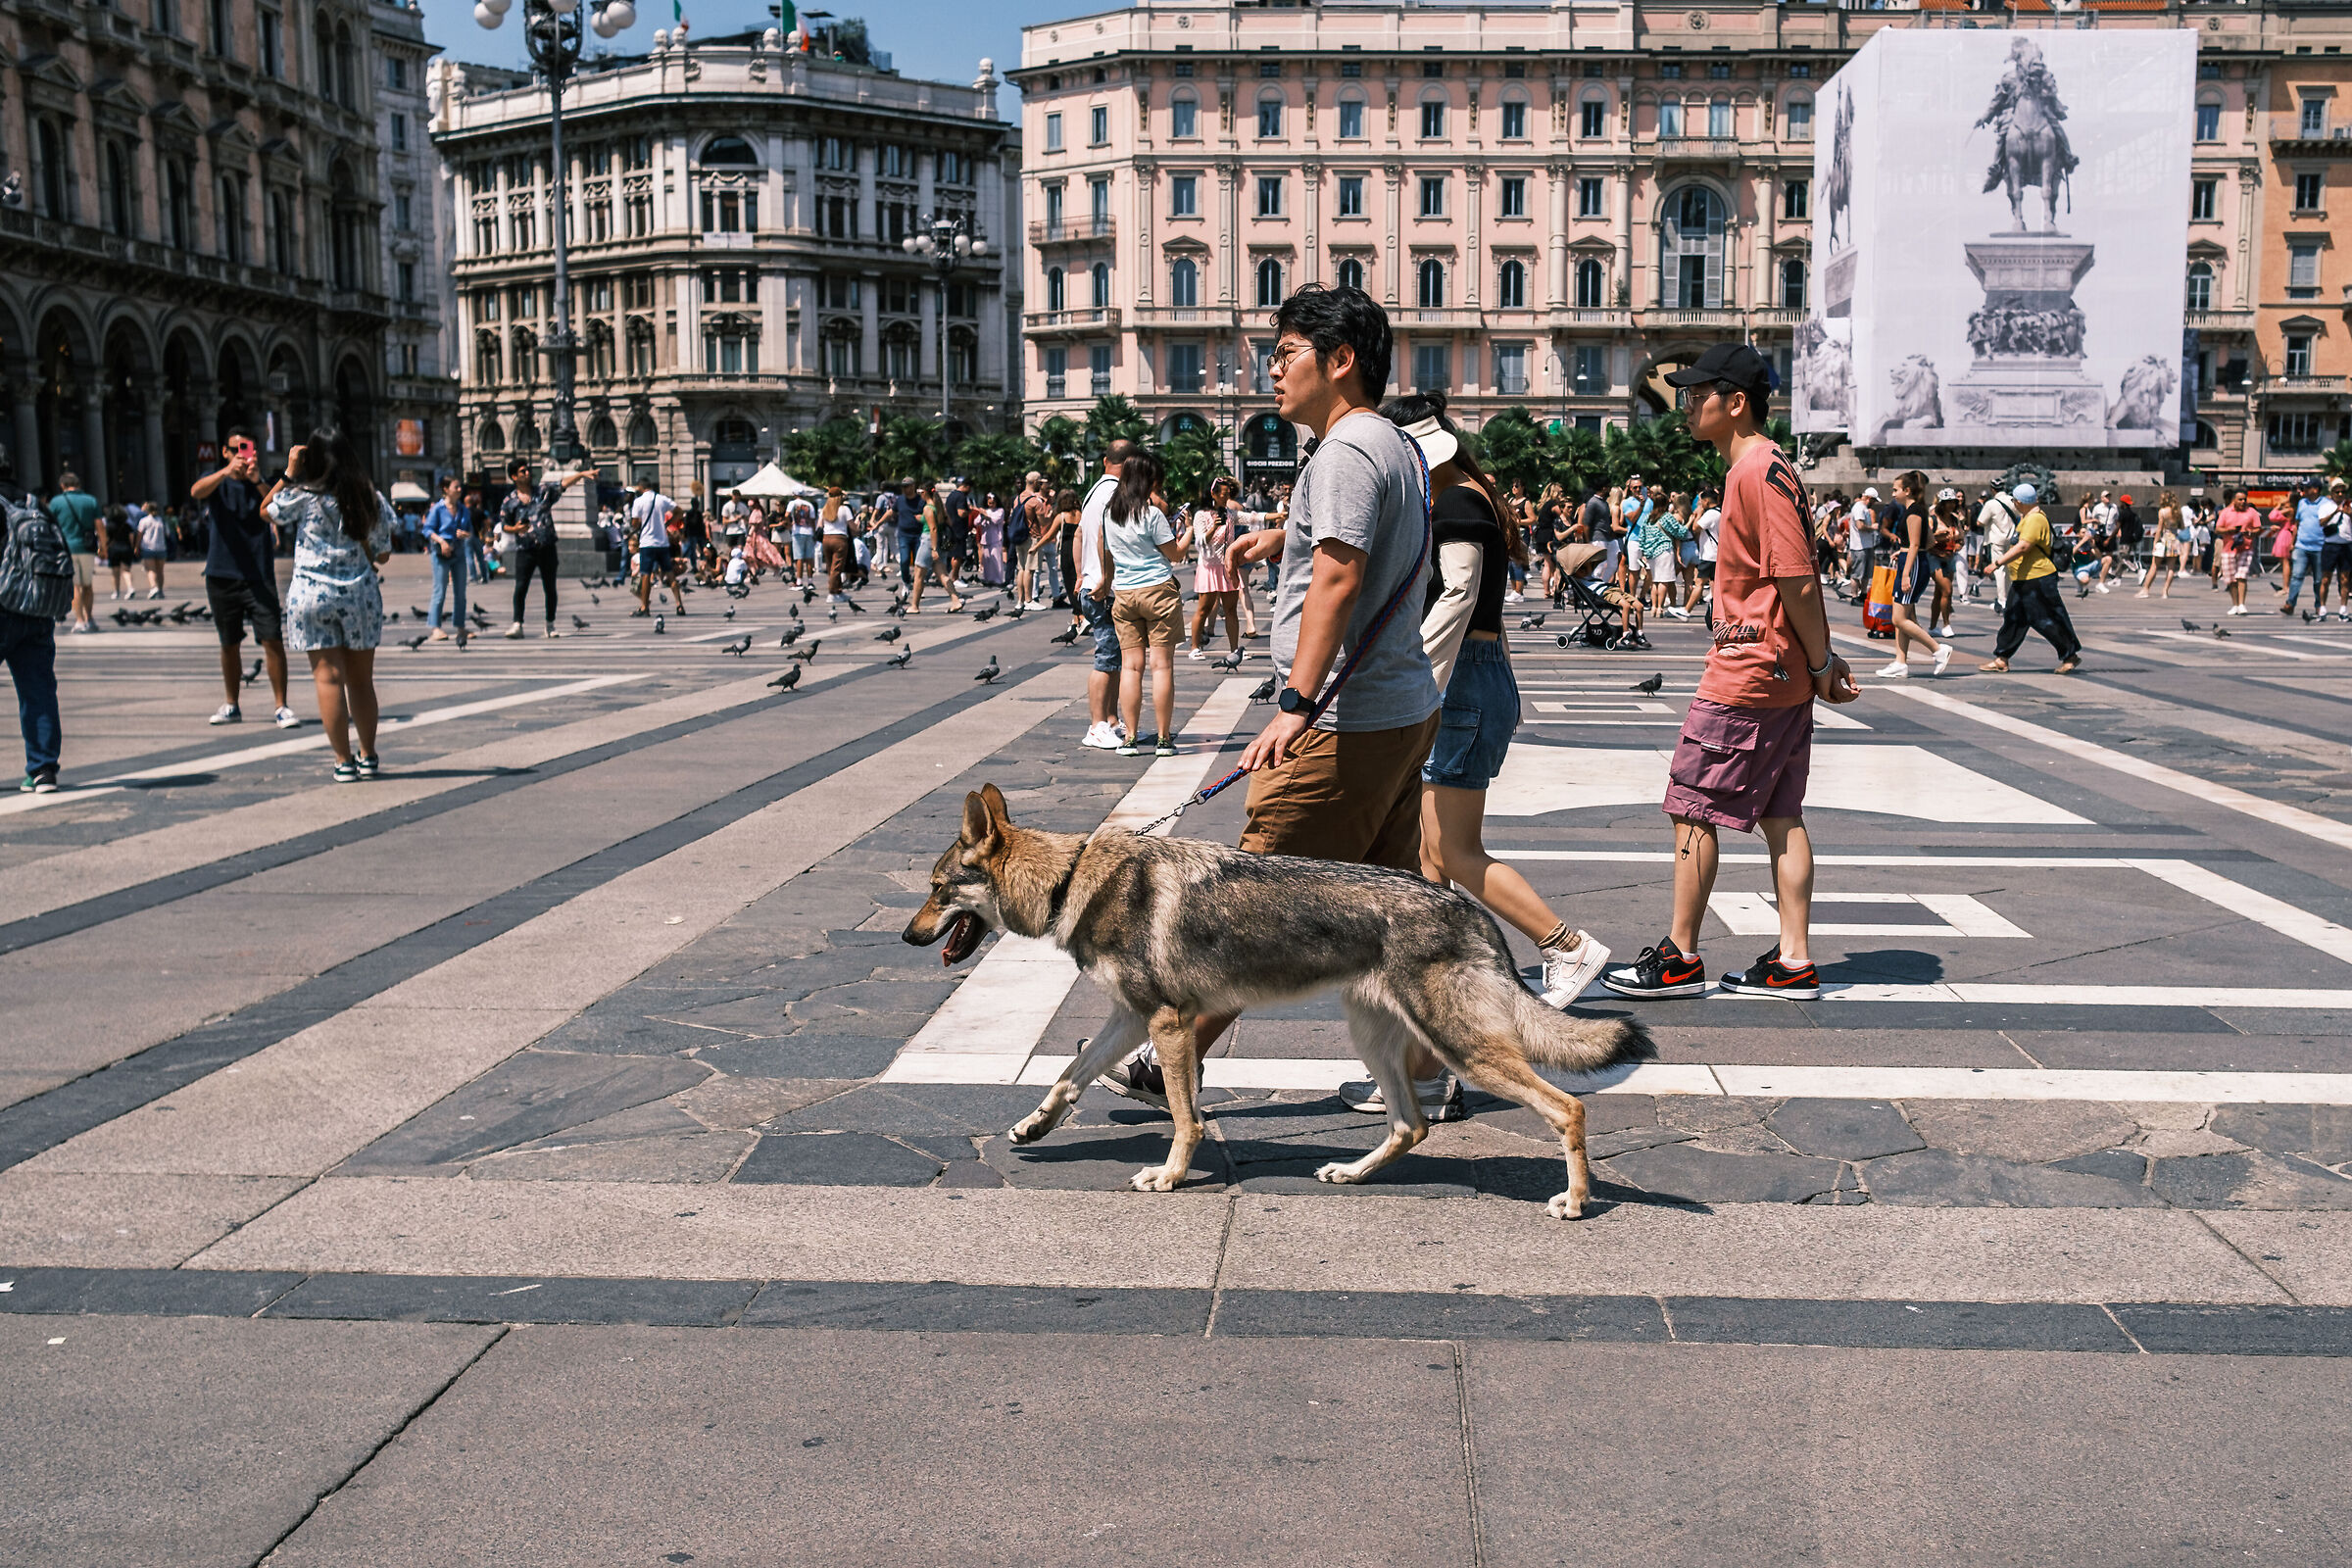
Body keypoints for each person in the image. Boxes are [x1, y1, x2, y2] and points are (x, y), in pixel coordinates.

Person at [1102, 283, 1441, 1117]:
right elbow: (1357, 546)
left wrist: (1295, 702)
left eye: (1286, 355)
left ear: (1341, 360)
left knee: (1250, 907)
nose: (1272, 372)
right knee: (1395, 910)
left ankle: (1168, 1058)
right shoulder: (1392, 443)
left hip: (1341, 720)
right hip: (1397, 708)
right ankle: (1427, 1066)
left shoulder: (1345, 451)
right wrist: (1281, 537)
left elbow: (1340, 577)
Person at [1602, 342, 1859, 1004]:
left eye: (1697, 395)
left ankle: (1681, 955)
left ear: (1736, 402)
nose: (1687, 406)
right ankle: (1793, 960)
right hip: (1779, 671)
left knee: (1692, 803)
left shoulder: (1755, 471)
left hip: (1748, 670)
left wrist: (1823, 660)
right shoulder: (1768, 468)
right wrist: (1815, 663)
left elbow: (1797, 578)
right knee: (1781, 813)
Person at [1388, 391, 1611, 1014]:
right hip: (1474, 675)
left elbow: (1459, 594)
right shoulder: (1471, 493)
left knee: (1453, 851)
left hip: (1457, 678)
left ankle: (1566, 945)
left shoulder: (1456, 502)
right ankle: (1438, 972)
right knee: (1431, 851)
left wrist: (1417, 678)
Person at [266, 428, 393, 782]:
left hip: (311, 597)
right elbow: (383, 553)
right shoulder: (370, 497)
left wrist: (289, 472)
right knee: (361, 681)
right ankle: (368, 755)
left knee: (328, 679)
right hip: (359, 596)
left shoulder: (302, 496)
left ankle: (343, 761)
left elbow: (265, 510)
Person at [188, 434, 297, 727]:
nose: (243, 454)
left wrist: (257, 480)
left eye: (248, 449)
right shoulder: (217, 481)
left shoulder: (264, 481)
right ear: (225, 452)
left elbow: (277, 509)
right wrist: (225, 472)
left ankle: (281, 706)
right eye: (236, 450)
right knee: (229, 643)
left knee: (272, 639)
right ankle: (231, 704)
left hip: (259, 575)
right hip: (221, 573)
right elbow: (196, 491)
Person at [1102, 449, 1187, 758]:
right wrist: (1190, 532)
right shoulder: (1152, 515)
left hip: (1125, 594)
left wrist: (1105, 584)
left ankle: (1130, 739)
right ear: (1147, 481)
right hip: (1158, 591)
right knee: (1161, 666)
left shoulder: (1110, 514)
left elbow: (1107, 555)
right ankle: (1163, 739)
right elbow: (1175, 555)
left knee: (1131, 667)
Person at [0, 450, 68, 793]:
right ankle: (43, 770)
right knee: (38, 689)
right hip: (38, 607)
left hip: (2, 605)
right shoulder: (34, 504)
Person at [1978, 482, 2082, 675]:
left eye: (2014, 501)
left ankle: (2070, 655)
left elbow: (2024, 546)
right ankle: (2001, 659)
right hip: (2024, 579)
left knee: (2047, 619)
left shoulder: (2035, 519)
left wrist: (1997, 563)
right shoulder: (2028, 517)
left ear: (2019, 502)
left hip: (2038, 578)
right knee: (2013, 618)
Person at [1075, 442, 1133, 751]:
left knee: (1115, 659)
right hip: (1104, 588)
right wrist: (1105, 579)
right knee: (1107, 657)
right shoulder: (1114, 494)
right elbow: (1105, 539)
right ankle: (1097, 725)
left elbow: (1079, 535)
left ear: (1105, 460)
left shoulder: (1093, 491)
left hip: (1093, 582)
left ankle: (1110, 721)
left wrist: (1081, 574)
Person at [500, 458, 593, 637]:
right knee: (521, 587)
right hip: (525, 549)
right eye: (523, 471)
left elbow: (562, 484)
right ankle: (517, 624)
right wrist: (516, 529)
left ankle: (550, 625)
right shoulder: (509, 501)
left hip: (547, 547)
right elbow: (504, 525)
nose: (528, 473)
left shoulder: (542, 492)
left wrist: (581, 474)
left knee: (550, 587)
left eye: (528, 470)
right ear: (514, 477)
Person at [1189, 476, 1277, 660]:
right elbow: (1200, 541)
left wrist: (1277, 516)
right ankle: (1194, 648)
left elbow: (1251, 518)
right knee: (1204, 609)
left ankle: (1234, 650)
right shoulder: (1201, 515)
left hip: (1227, 566)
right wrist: (1213, 528)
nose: (1227, 498)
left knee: (1231, 610)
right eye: (1223, 494)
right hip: (1209, 567)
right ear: (1213, 494)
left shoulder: (1229, 514)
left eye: (1228, 494)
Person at [1875, 470, 1948, 678]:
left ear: (1907, 490)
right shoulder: (1917, 510)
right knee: (1902, 616)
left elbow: (1916, 544)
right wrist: (1904, 551)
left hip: (1913, 565)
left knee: (1899, 619)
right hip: (1911, 560)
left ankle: (1938, 649)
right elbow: (1929, 542)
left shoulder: (1914, 511)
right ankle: (1900, 662)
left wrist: (1907, 572)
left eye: (1895, 490)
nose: (1893, 494)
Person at [46, 471, 101, 634]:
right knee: (88, 584)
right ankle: (90, 619)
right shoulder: (91, 500)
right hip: (87, 547)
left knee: (75, 585)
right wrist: (104, 547)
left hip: (66, 548)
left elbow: (49, 525)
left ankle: (79, 621)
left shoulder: (56, 502)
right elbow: (99, 525)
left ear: (62, 485)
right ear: (78, 484)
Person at [422, 476, 471, 642]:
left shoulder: (463, 509)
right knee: (439, 591)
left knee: (461, 592)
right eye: (456, 487)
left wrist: (465, 534)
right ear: (446, 489)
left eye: (460, 487)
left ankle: (460, 627)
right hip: (440, 554)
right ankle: (435, 628)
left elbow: (470, 531)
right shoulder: (438, 509)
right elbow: (427, 530)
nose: (459, 489)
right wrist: (441, 541)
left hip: (458, 553)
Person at [630, 478, 684, 616]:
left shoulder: (638, 501)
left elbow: (634, 524)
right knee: (670, 574)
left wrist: (640, 523)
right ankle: (679, 605)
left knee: (646, 575)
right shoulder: (662, 499)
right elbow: (679, 512)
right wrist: (668, 523)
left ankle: (645, 607)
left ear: (641, 487)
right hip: (662, 543)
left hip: (647, 543)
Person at [1683, 486, 1722, 622]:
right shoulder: (1719, 512)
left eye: (1701, 502)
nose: (1700, 505)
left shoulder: (1711, 514)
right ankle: (1717, 611)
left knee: (1699, 582)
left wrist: (1698, 514)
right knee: (1714, 583)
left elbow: (1695, 528)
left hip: (1710, 555)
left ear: (1706, 501)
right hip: (1714, 554)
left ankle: (1686, 610)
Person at [2140, 490, 2183, 600]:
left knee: (2154, 566)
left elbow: (2159, 529)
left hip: (2165, 539)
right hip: (2174, 540)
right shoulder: (2177, 512)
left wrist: (2155, 542)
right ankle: (2165, 591)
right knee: (2171, 568)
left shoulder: (2162, 511)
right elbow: (2182, 527)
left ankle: (2145, 589)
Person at [136, 501, 171, 599]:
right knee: (160, 571)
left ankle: (153, 587)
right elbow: (168, 534)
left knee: (151, 569)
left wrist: (136, 546)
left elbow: (139, 534)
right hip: (161, 548)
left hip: (148, 548)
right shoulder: (161, 520)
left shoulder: (144, 521)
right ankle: (160, 591)